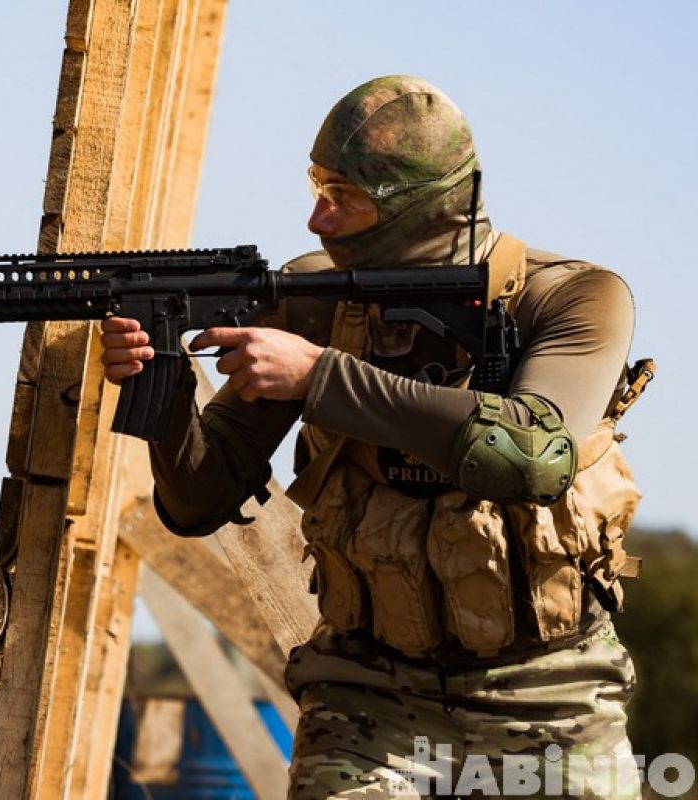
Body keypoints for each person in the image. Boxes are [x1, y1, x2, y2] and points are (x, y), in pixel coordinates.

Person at [100, 75, 649, 799]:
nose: (316, 222)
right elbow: (199, 500)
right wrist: (164, 380)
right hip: (366, 697)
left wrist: (321, 377)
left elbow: (532, 457)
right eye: (317, 186)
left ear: (419, 210)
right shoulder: (315, 302)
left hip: (551, 691)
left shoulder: (573, 298)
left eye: (345, 198)